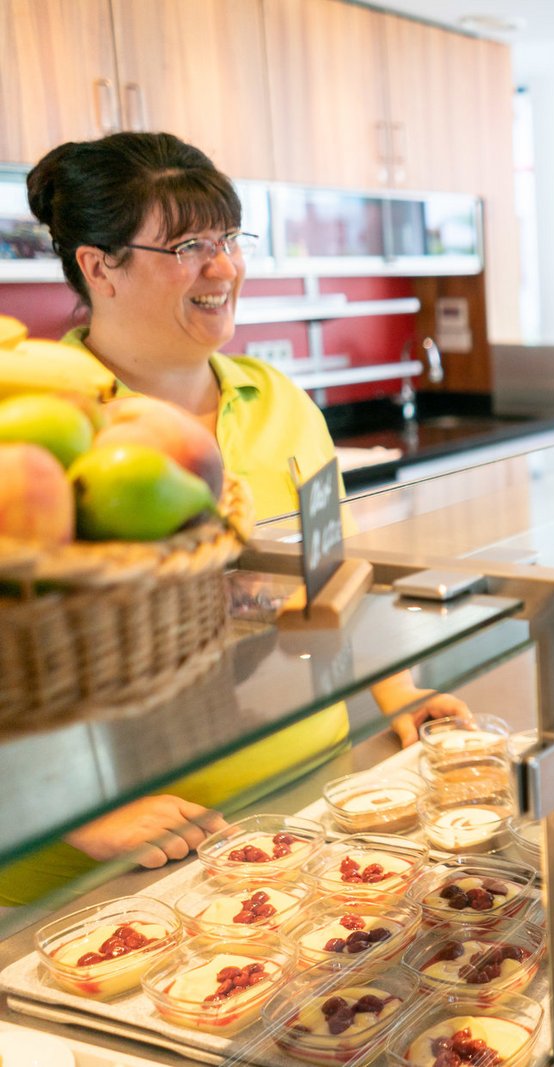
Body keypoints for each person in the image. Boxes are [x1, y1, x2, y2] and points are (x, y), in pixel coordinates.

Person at [0, 132, 465, 906]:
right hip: (109, 869)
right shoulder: (32, 423)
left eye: (227, 238)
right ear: (98, 264)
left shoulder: (277, 399)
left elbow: (327, 579)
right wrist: (76, 814)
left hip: (307, 806)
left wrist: (402, 695)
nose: (223, 267)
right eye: (187, 244)